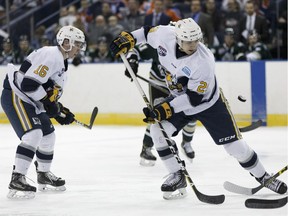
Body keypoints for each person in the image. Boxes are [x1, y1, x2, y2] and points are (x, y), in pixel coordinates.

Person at [109, 18, 287, 199]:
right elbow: (146, 33)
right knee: (157, 131)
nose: (193, 44)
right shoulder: (165, 34)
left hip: (209, 104)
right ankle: (177, 175)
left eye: (196, 40)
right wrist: (129, 39)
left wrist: (165, 108)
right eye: (188, 41)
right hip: (180, 99)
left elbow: (194, 99)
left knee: (235, 147)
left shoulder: (203, 61)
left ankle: (264, 177)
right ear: (178, 38)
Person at [1, 25, 86, 199]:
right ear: (66, 42)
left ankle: (43, 174)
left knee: (48, 135)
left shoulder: (61, 62)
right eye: (77, 43)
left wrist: (59, 110)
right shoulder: (52, 55)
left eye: (80, 44)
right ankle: (17, 178)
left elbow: (47, 92)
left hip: (30, 99)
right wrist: (50, 104)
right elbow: (29, 85)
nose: (79, 47)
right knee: (33, 134)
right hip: (16, 95)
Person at [125, 43, 196, 166]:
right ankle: (146, 147)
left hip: (179, 85)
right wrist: (132, 61)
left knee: (192, 110)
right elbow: (134, 50)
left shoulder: (189, 47)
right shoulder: (159, 43)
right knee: (157, 114)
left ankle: (186, 142)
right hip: (158, 83)